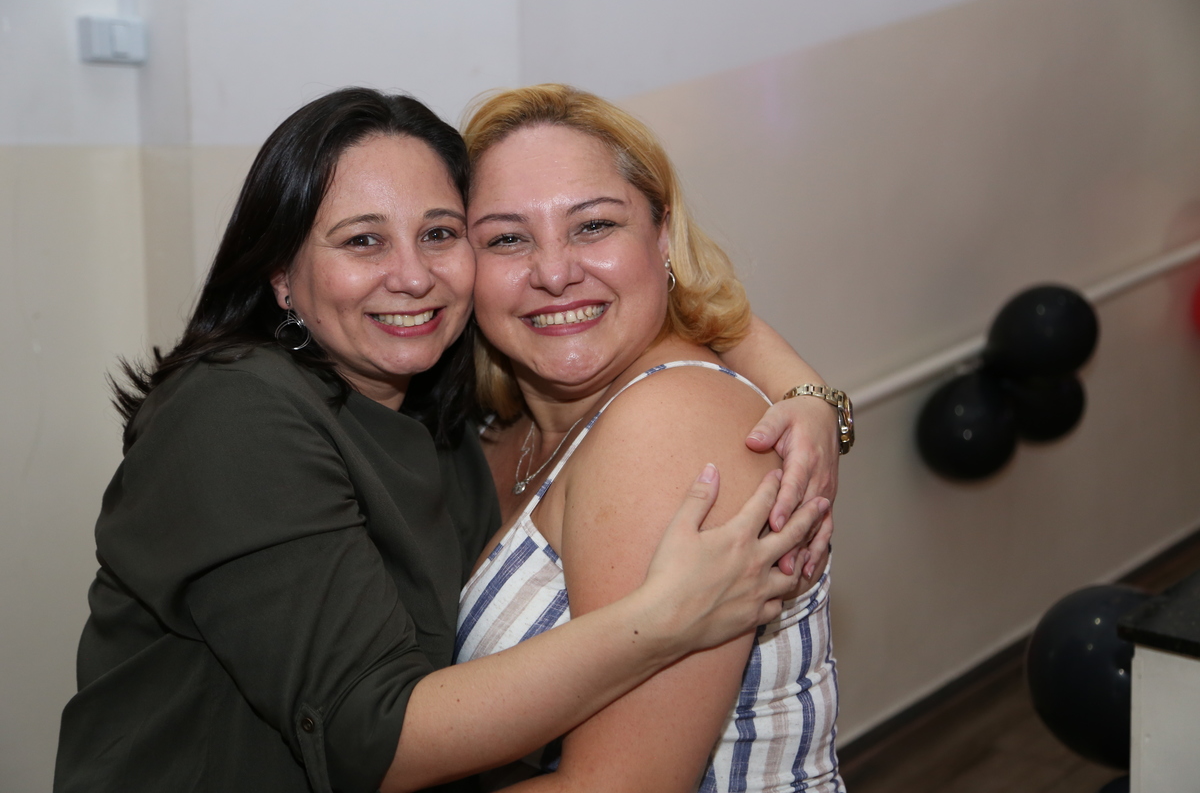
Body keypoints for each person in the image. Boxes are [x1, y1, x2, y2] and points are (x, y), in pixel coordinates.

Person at [53, 88, 838, 793]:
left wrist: (811, 396)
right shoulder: (258, 413)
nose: (413, 276)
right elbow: (369, 734)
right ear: (281, 276)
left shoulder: (526, 422)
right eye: (506, 239)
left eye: (437, 233)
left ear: (663, 236)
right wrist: (657, 623)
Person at [456, 85, 844, 792]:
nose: (554, 273)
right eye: (507, 238)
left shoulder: (671, 420)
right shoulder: (500, 427)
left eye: (593, 226)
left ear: (662, 236)